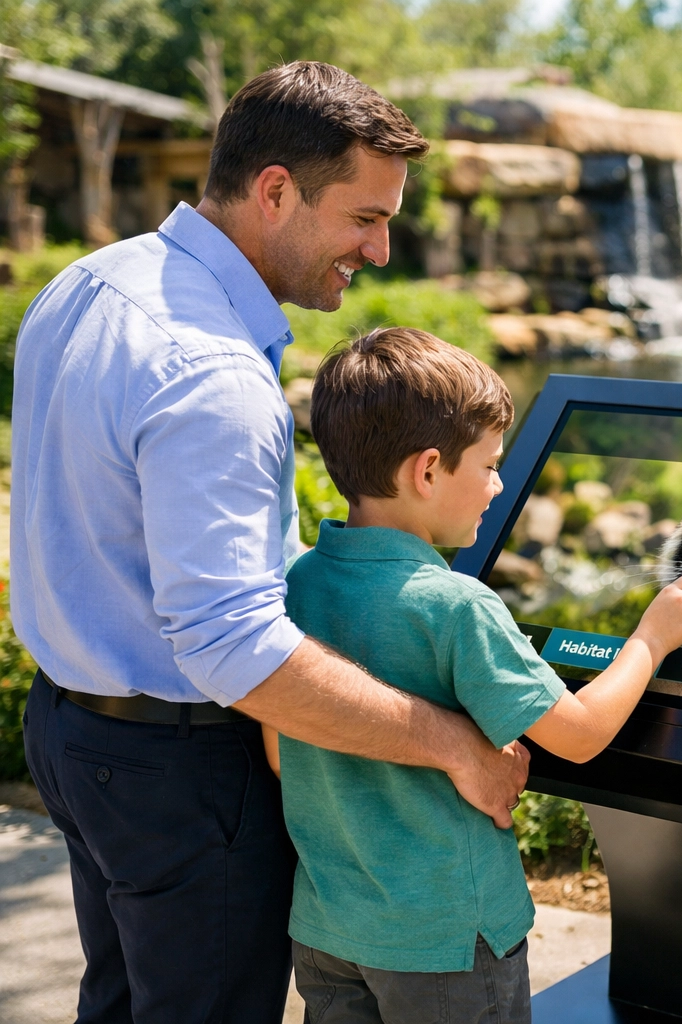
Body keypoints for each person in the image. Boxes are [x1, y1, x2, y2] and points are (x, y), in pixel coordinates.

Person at [15, 63, 533, 1023]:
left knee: (125, 1003)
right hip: (182, 775)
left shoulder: (91, 281)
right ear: (277, 191)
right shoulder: (211, 369)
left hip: (71, 731)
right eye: (364, 218)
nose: (380, 250)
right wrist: (455, 743)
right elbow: (234, 648)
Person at [266, 327, 682, 1023]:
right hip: (448, 944)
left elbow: (281, 747)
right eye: (490, 466)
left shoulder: (298, 584)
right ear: (429, 471)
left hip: (330, 930)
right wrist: (651, 639)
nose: (499, 486)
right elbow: (582, 733)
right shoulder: (457, 605)